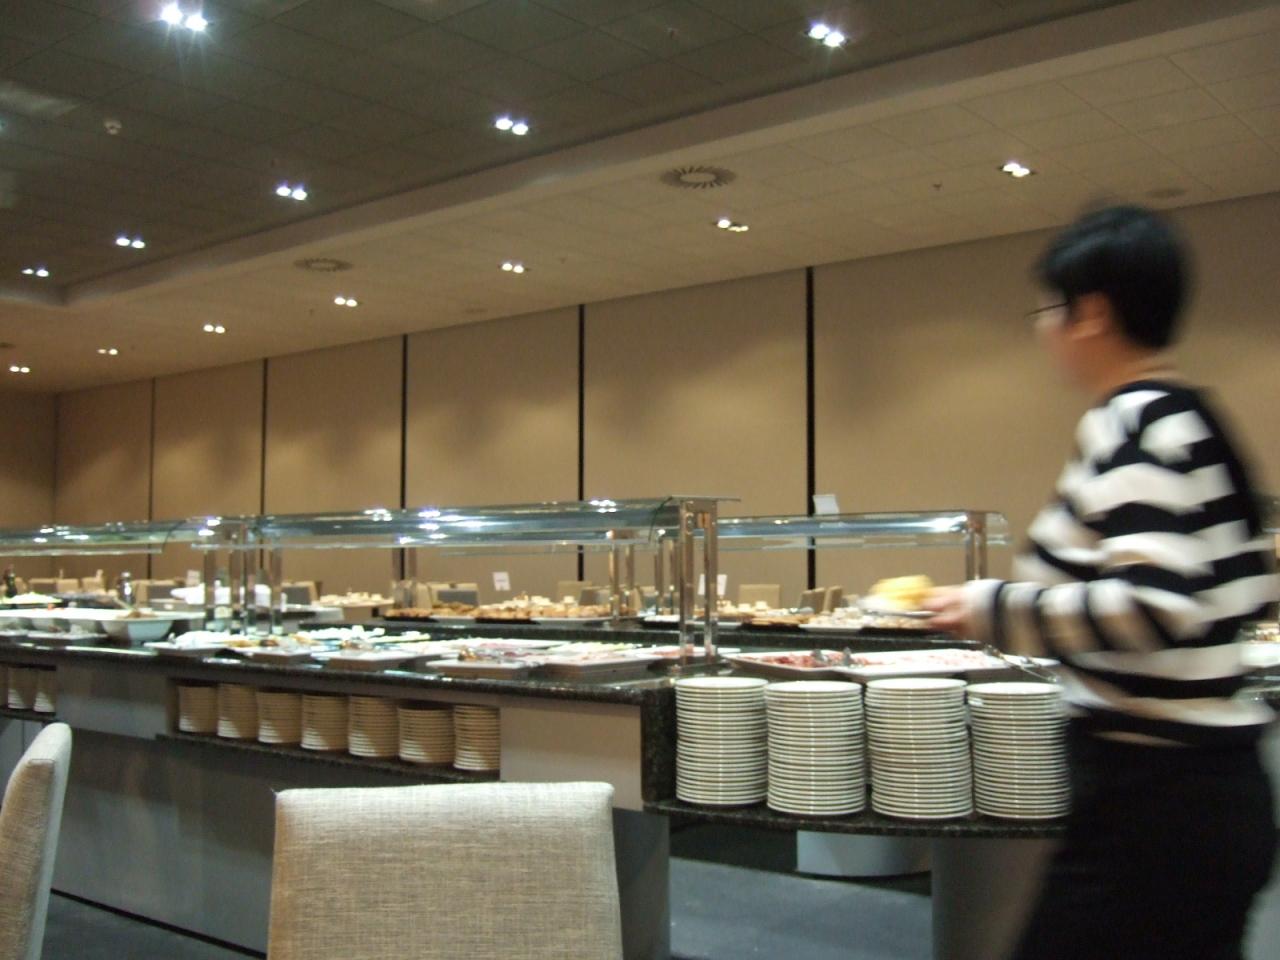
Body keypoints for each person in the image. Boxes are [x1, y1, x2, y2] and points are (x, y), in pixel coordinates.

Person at [924, 204, 1279, 960]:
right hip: (1200, 795)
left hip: (1156, 801)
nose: (1044, 330)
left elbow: (1153, 606)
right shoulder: (1190, 417)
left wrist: (991, 607)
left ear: (1091, 313)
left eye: (1048, 310)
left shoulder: (1133, 420)